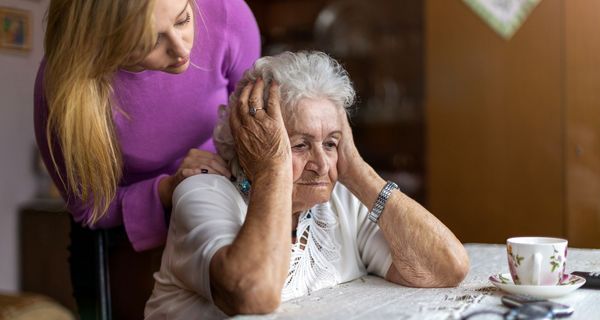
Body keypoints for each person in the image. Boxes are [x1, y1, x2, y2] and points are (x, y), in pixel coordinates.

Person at [144, 51, 470, 319]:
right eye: (299, 145)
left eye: (330, 143)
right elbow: (252, 295)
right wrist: (273, 168)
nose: (323, 164)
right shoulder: (204, 193)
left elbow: (447, 268)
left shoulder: (339, 200)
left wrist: (357, 171)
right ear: (250, 144)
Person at [34, 0, 260, 317]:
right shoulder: (61, 88)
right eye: (150, 41)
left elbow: (255, 120)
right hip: (118, 236)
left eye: (183, 19)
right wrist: (167, 189)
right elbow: (88, 207)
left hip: (217, 203)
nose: (182, 49)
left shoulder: (224, 11)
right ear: (103, 43)